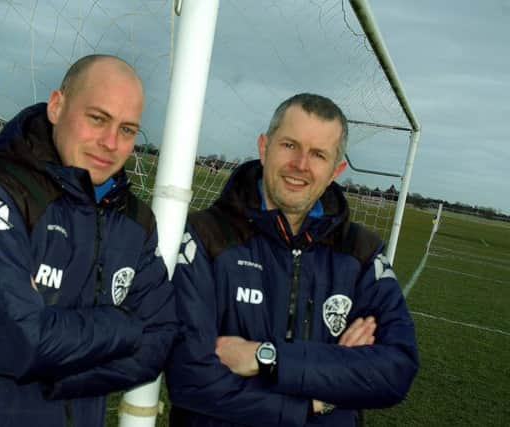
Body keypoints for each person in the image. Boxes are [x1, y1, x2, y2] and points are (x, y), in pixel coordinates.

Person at [0, 54, 177, 427]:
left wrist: (60, 375)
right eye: (97, 118)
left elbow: (160, 339)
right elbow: (18, 344)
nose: (111, 142)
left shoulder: (135, 221)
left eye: (127, 130)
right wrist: (124, 325)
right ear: (57, 106)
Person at [165, 93, 418, 427]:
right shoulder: (205, 237)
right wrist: (317, 400)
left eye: (318, 154)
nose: (300, 164)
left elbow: (394, 370)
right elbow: (191, 378)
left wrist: (265, 358)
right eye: (289, 145)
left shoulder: (361, 253)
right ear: (263, 146)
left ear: (335, 170)